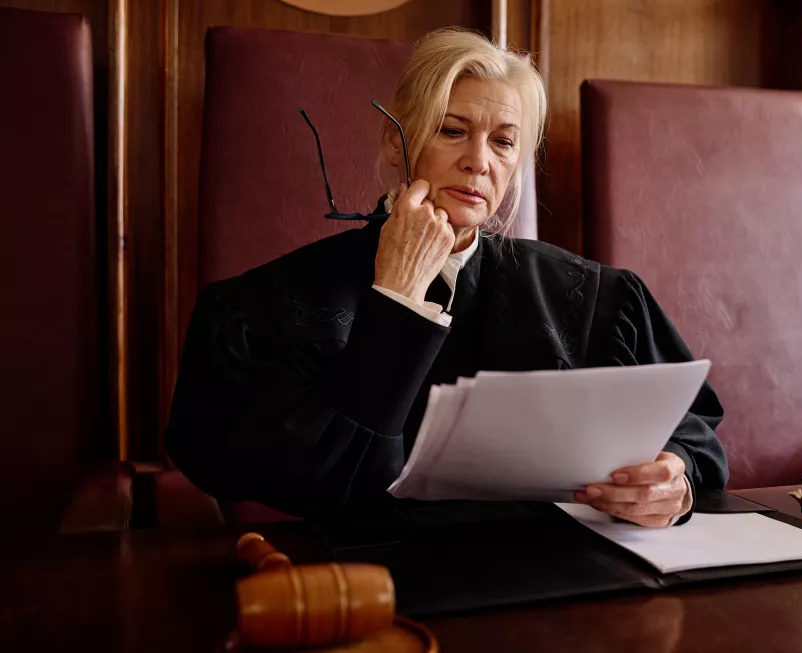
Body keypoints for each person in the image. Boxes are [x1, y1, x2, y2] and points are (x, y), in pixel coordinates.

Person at [165, 28, 728, 528]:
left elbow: (694, 427)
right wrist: (396, 297)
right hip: (358, 591)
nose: (479, 161)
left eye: (504, 142)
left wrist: (673, 482)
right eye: (453, 130)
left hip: (562, 586)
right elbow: (316, 482)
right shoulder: (264, 307)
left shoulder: (598, 297)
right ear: (395, 141)